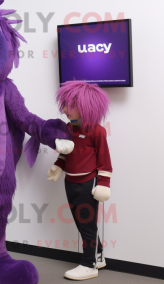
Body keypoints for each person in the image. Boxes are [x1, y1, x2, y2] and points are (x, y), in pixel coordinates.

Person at [47, 81, 113, 281]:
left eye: (71, 106)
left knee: (87, 224)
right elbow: (66, 152)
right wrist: (59, 164)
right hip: (70, 182)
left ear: (86, 107)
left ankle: (89, 264)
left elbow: (105, 162)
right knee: (82, 222)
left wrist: (103, 184)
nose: (65, 110)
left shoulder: (97, 131)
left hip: (88, 184)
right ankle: (98, 256)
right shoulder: (68, 128)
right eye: (64, 105)